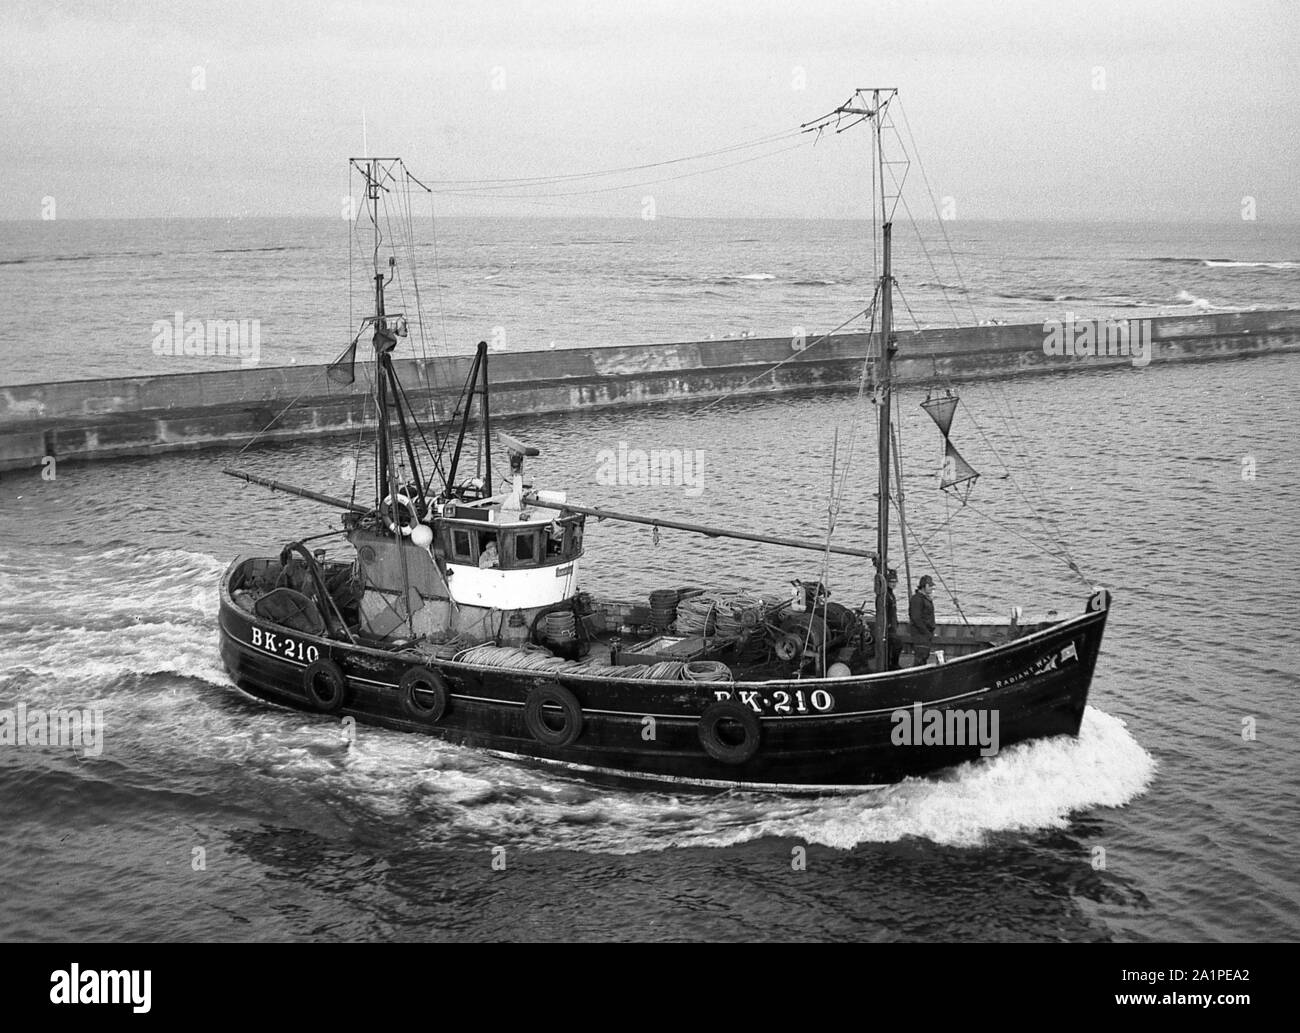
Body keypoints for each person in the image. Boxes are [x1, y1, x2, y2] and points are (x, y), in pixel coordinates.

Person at [909, 574, 937, 665]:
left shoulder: (926, 598)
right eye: (929, 586)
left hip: (926, 633)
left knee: (924, 656)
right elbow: (915, 618)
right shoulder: (917, 599)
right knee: (921, 656)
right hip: (920, 634)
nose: (932, 588)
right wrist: (925, 632)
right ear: (923, 586)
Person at [885, 568, 900, 670]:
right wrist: (888, 624)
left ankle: (893, 663)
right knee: (897, 644)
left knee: (894, 644)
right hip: (888, 626)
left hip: (893, 624)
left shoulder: (891, 595)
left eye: (895, 582)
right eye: (891, 582)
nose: (893, 584)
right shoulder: (886, 595)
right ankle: (892, 664)